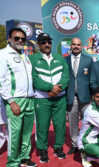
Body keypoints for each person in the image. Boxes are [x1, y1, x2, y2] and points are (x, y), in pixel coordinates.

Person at [30, 33, 70, 163]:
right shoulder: (32, 59)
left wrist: (58, 89)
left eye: (49, 42)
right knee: (42, 126)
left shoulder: (59, 57)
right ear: (38, 44)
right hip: (42, 99)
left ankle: (58, 148)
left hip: (59, 98)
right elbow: (34, 78)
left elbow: (66, 75)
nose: (47, 44)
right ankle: (42, 149)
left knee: (60, 125)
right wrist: (50, 88)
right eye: (43, 42)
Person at [0, 28, 36, 167]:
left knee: (27, 132)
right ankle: (13, 163)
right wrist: (11, 101)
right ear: (9, 39)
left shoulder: (24, 54)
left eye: (22, 38)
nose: (20, 40)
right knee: (14, 134)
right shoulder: (3, 54)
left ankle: (24, 158)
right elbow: (1, 80)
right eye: (17, 38)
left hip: (29, 98)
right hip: (15, 100)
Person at [65, 37, 94, 155]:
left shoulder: (88, 60)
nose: (76, 46)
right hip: (71, 96)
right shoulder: (64, 60)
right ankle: (75, 144)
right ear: (70, 46)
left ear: (82, 46)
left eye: (78, 44)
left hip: (86, 96)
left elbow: (92, 78)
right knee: (72, 122)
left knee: (87, 121)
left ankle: (85, 143)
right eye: (74, 44)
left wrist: (93, 96)